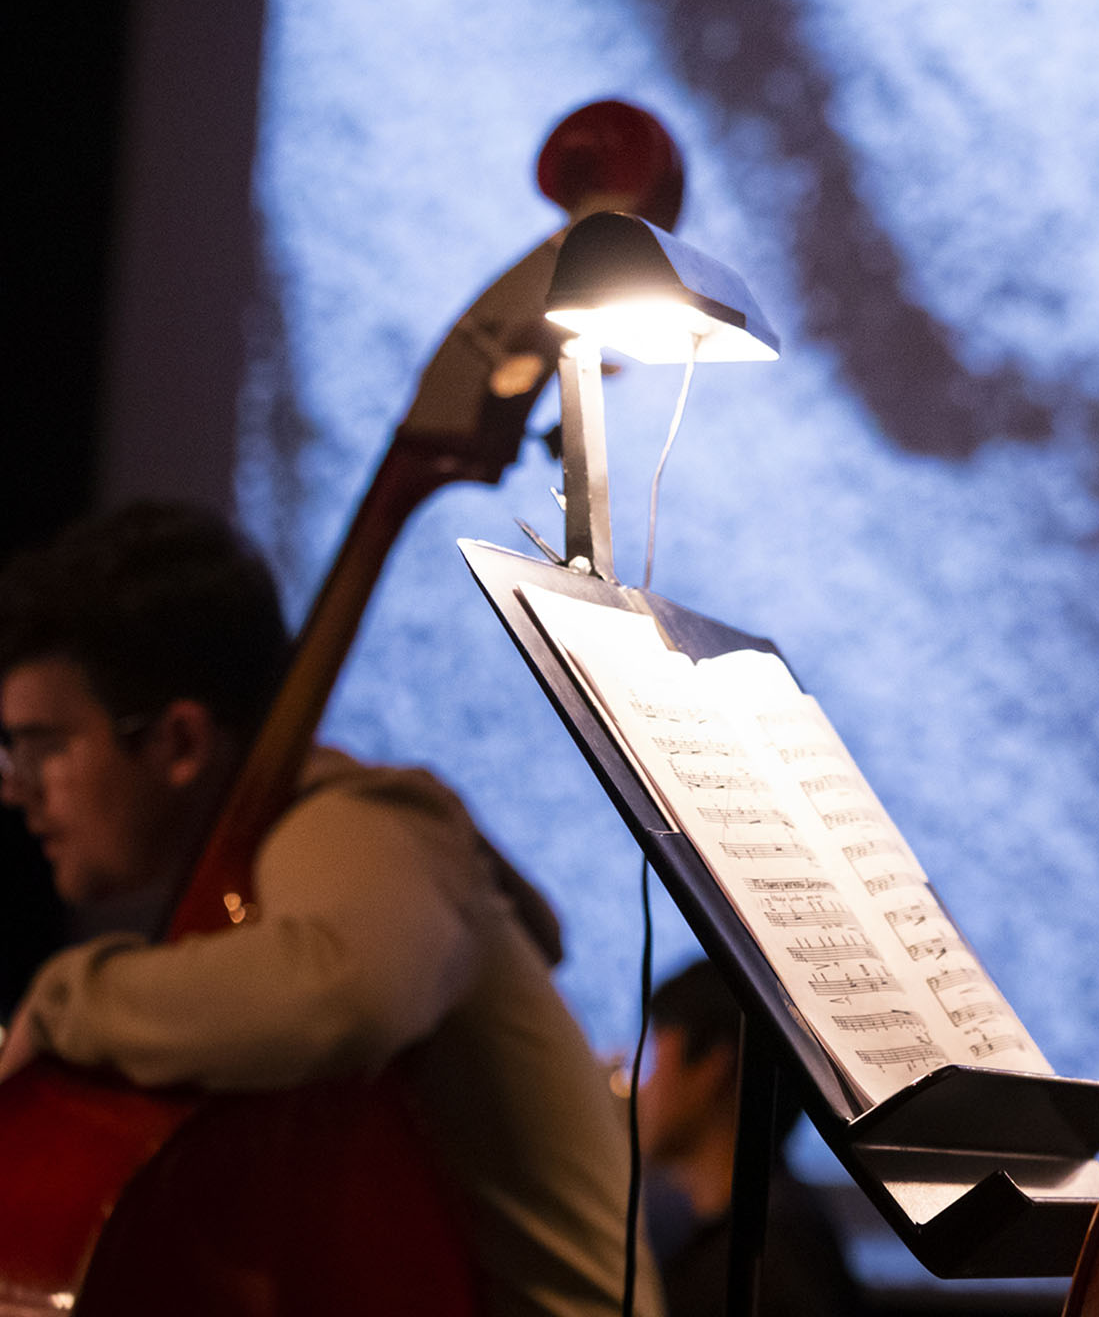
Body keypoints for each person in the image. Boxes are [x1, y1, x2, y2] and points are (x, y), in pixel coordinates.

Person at [0, 501, 642, 1316]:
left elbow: (345, 991)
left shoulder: (353, 820)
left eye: (42, 745)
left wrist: (68, 996)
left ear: (181, 743)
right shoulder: (261, 879)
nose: (14, 786)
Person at [634, 958, 868, 1317]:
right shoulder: (793, 1227)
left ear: (712, 1070)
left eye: (652, 1063)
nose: (640, 1090)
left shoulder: (758, 1272)